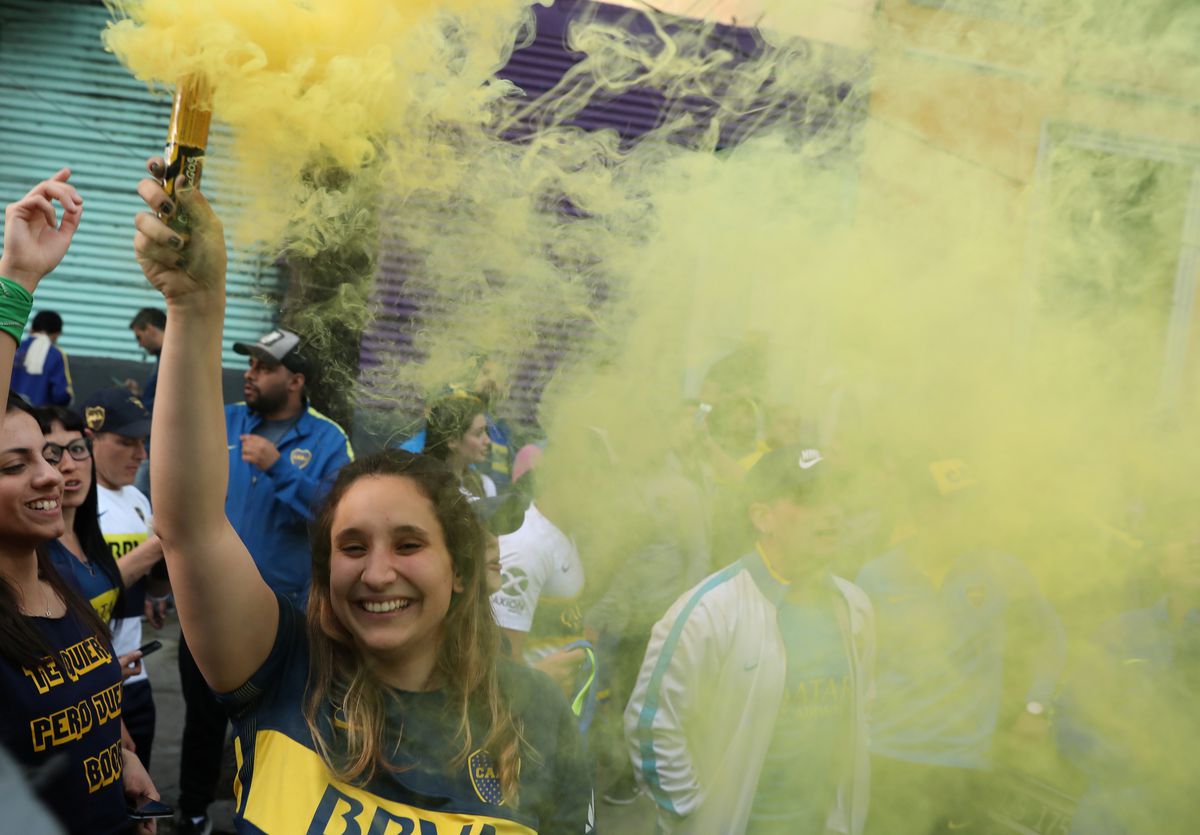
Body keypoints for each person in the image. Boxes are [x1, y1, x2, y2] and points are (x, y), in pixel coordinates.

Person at [133, 162, 591, 833]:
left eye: (409, 543)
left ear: (460, 566)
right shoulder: (287, 668)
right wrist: (194, 307)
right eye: (352, 545)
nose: (377, 571)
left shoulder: (536, 716)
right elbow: (194, 527)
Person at [0, 167, 159, 834]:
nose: (51, 475)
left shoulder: (65, 579)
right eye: (15, 463)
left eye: (50, 453)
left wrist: (121, 756)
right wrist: (17, 283)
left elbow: (90, 702)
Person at [626, 446, 875, 835]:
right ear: (762, 517)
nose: (833, 513)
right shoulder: (708, 612)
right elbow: (652, 728)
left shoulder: (854, 607)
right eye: (810, 499)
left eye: (836, 497)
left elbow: (862, 712)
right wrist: (695, 818)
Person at [175, 326, 353, 833]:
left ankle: (265, 819)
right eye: (249, 364)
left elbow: (339, 522)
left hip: (286, 620)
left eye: (264, 366)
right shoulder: (225, 422)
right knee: (203, 722)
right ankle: (190, 814)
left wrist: (280, 470)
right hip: (206, 611)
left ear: (296, 380)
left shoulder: (327, 438)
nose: (250, 374)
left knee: (278, 729)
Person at [855, 458, 1065, 835]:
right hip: (887, 754)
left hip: (965, 761)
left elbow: (1050, 637)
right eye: (964, 507)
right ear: (926, 511)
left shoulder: (1002, 570)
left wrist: (1036, 705)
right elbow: (857, 664)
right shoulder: (876, 576)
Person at [81, 387, 164, 769]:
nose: (141, 454)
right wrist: (163, 543)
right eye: (126, 442)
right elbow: (79, 587)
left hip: (135, 676)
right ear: (89, 438)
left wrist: (155, 592)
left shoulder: (138, 499)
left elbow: (145, 580)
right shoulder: (73, 502)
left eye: (143, 443)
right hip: (84, 684)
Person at [423, 392, 497, 499]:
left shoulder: (485, 485)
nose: (488, 441)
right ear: (452, 440)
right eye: (478, 433)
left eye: (486, 431)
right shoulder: (423, 486)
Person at [10, 309, 73, 407]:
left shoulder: (15, 347)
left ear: (32, 328)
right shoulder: (56, 355)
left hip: (8, 412)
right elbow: (60, 395)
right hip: (39, 417)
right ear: (56, 334)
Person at [127, 307, 166, 411]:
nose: (139, 345)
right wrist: (138, 394)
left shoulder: (174, 359)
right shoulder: (161, 357)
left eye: (139, 337)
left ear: (150, 329)